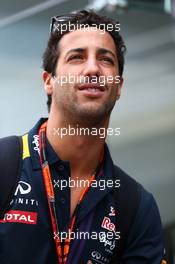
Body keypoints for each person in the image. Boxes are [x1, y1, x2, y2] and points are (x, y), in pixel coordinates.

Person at [0, 9, 166, 264]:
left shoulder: (135, 206)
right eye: (76, 57)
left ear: (118, 86)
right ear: (49, 81)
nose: (93, 68)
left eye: (106, 59)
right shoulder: (5, 164)